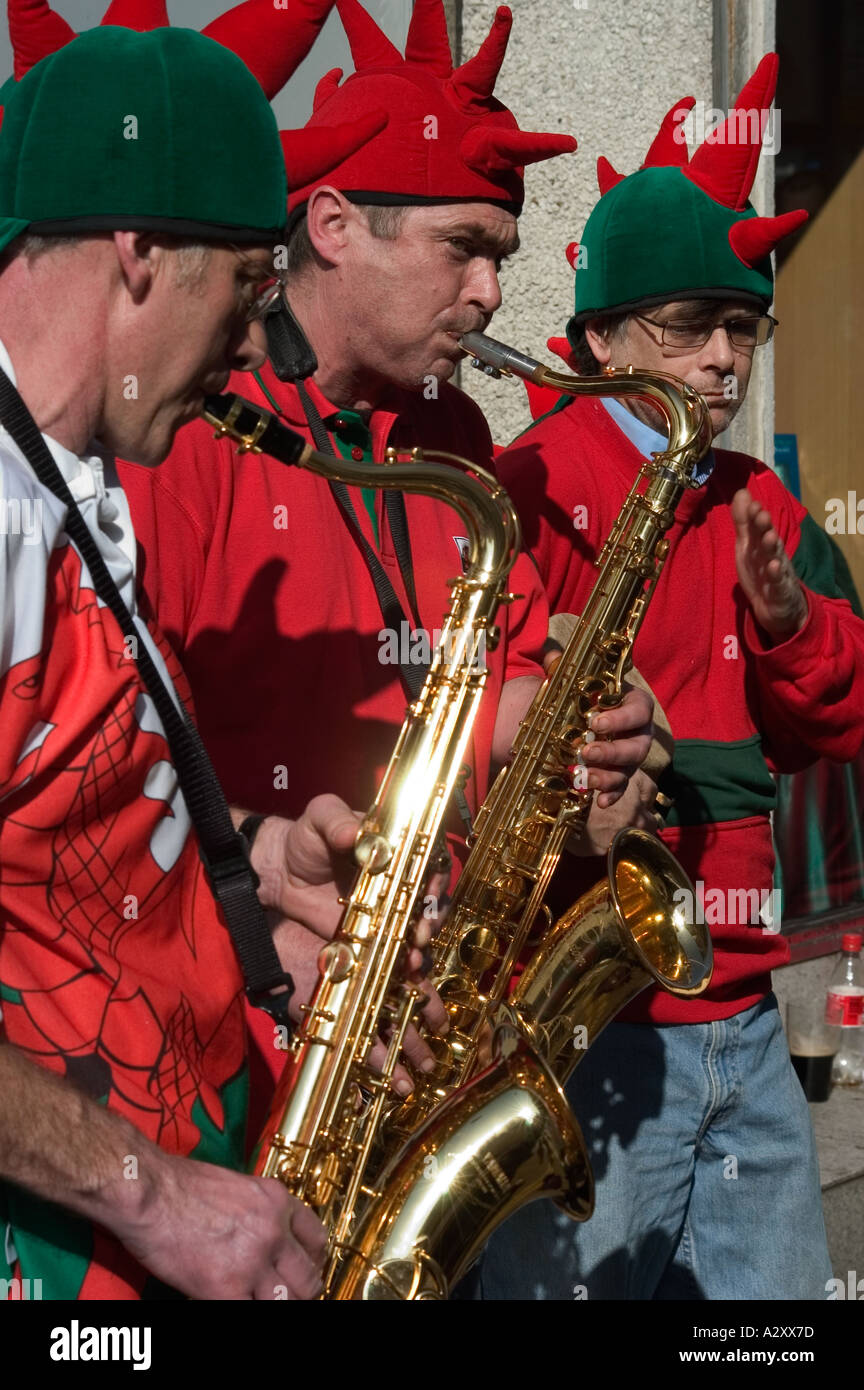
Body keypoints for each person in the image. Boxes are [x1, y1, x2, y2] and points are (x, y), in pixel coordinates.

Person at [119, 0, 659, 1138]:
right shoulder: (198, 429)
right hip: (244, 1020)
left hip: (426, 1015)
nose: (492, 295)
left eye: (501, 257)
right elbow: (115, 748)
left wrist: (574, 734)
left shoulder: (454, 433)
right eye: (462, 249)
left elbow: (499, 673)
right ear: (330, 227)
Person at [0, 11, 405, 1303]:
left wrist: (253, 864)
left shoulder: (79, 480)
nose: (252, 351)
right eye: (244, 290)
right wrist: (157, 1195)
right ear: (137, 255)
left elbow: (57, 811)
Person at [479, 55, 864, 1300]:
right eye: (683, 328)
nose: (720, 361)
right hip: (592, 1025)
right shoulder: (538, 476)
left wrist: (792, 620)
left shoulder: (759, 497)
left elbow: (839, 724)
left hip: (745, 1017)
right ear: (597, 337)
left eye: (740, 326)